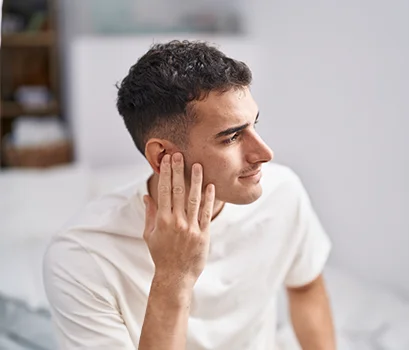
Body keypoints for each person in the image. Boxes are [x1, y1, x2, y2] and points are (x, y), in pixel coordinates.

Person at [43, 40, 336, 350]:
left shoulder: (282, 193)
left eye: (254, 125)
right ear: (162, 157)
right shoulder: (81, 257)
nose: (264, 153)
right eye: (232, 137)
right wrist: (173, 276)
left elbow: (305, 288)